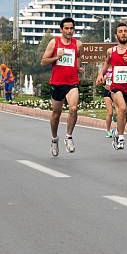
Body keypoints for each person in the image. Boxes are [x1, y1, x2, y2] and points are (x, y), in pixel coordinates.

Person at [96, 22, 127, 151]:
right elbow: (106, 64)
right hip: (115, 87)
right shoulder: (111, 51)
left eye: (125, 31)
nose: (123, 33)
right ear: (116, 35)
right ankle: (121, 138)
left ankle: (116, 133)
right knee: (122, 109)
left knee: (125, 115)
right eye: (120, 31)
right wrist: (100, 75)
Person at [41, 17, 83, 157]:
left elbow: (77, 60)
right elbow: (43, 61)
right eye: (66, 28)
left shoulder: (78, 44)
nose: (69, 31)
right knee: (56, 114)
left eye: (71, 28)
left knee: (73, 108)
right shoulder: (54, 43)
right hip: (57, 83)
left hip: (72, 82)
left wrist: (79, 68)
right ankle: (54, 139)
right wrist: (56, 58)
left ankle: (69, 137)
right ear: (61, 29)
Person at [102, 66, 115, 138]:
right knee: (110, 112)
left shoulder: (116, 67)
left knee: (118, 112)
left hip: (115, 91)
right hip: (107, 91)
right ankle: (108, 130)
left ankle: (117, 130)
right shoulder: (105, 69)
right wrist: (104, 79)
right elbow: (102, 82)